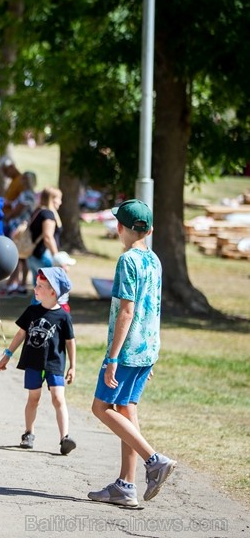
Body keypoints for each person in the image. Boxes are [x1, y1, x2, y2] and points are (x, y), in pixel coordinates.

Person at [88, 200, 176, 507]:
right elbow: (153, 308)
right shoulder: (154, 260)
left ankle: (154, 460)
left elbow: (127, 311)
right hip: (148, 348)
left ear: (119, 228)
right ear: (150, 230)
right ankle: (126, 485)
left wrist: (112, 357)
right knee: (126, 409)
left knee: (101, 408)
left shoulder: (128, 261)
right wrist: (150, 351)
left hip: (127, 351)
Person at [0, 267, 77, 455]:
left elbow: (70, 342)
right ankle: (28, 433)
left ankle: (65, 438)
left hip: (55, 363)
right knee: (34, 398)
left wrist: (72, 366)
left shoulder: (63, 316)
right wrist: (7, 354)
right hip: (33, 362)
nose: (35, 289)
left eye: (40, 286)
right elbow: (21, 333)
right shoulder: (32, 311)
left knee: (58, 398)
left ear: (53, 292)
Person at [3, 171, 38, 295]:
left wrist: (6, 217)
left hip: (19, 226)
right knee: (22, 256)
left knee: (17, 255)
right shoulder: (31, 194)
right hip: (24, 226)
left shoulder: (26, 195)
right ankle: (21, 283)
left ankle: (15, 282)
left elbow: (18, 210)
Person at [26, 187, 63, 288]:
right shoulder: (48, 215)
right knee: (47, 292)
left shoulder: (37, 211)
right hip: (44, 256)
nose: (60, 202)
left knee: (38, 292)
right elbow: (48, 237)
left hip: (33, 255)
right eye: (59, 199)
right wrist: (57, 258)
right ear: (52, 199)